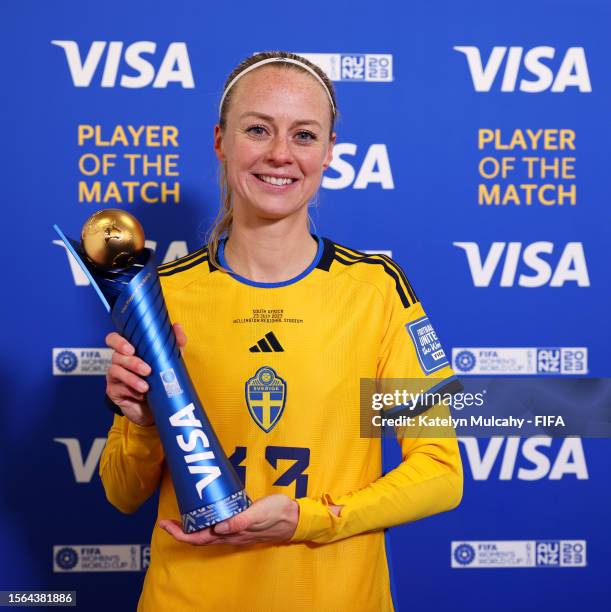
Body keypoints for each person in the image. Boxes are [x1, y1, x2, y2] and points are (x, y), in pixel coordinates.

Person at [101, 51, 463, 612]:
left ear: (329, 153)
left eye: (304, 135)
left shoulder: (375, 291)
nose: (280, 154)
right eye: (257, 129)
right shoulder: (161, 296)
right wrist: (144, 422)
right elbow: (123, 494)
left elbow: (440, 472)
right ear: (220, 141)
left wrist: (308, 519)